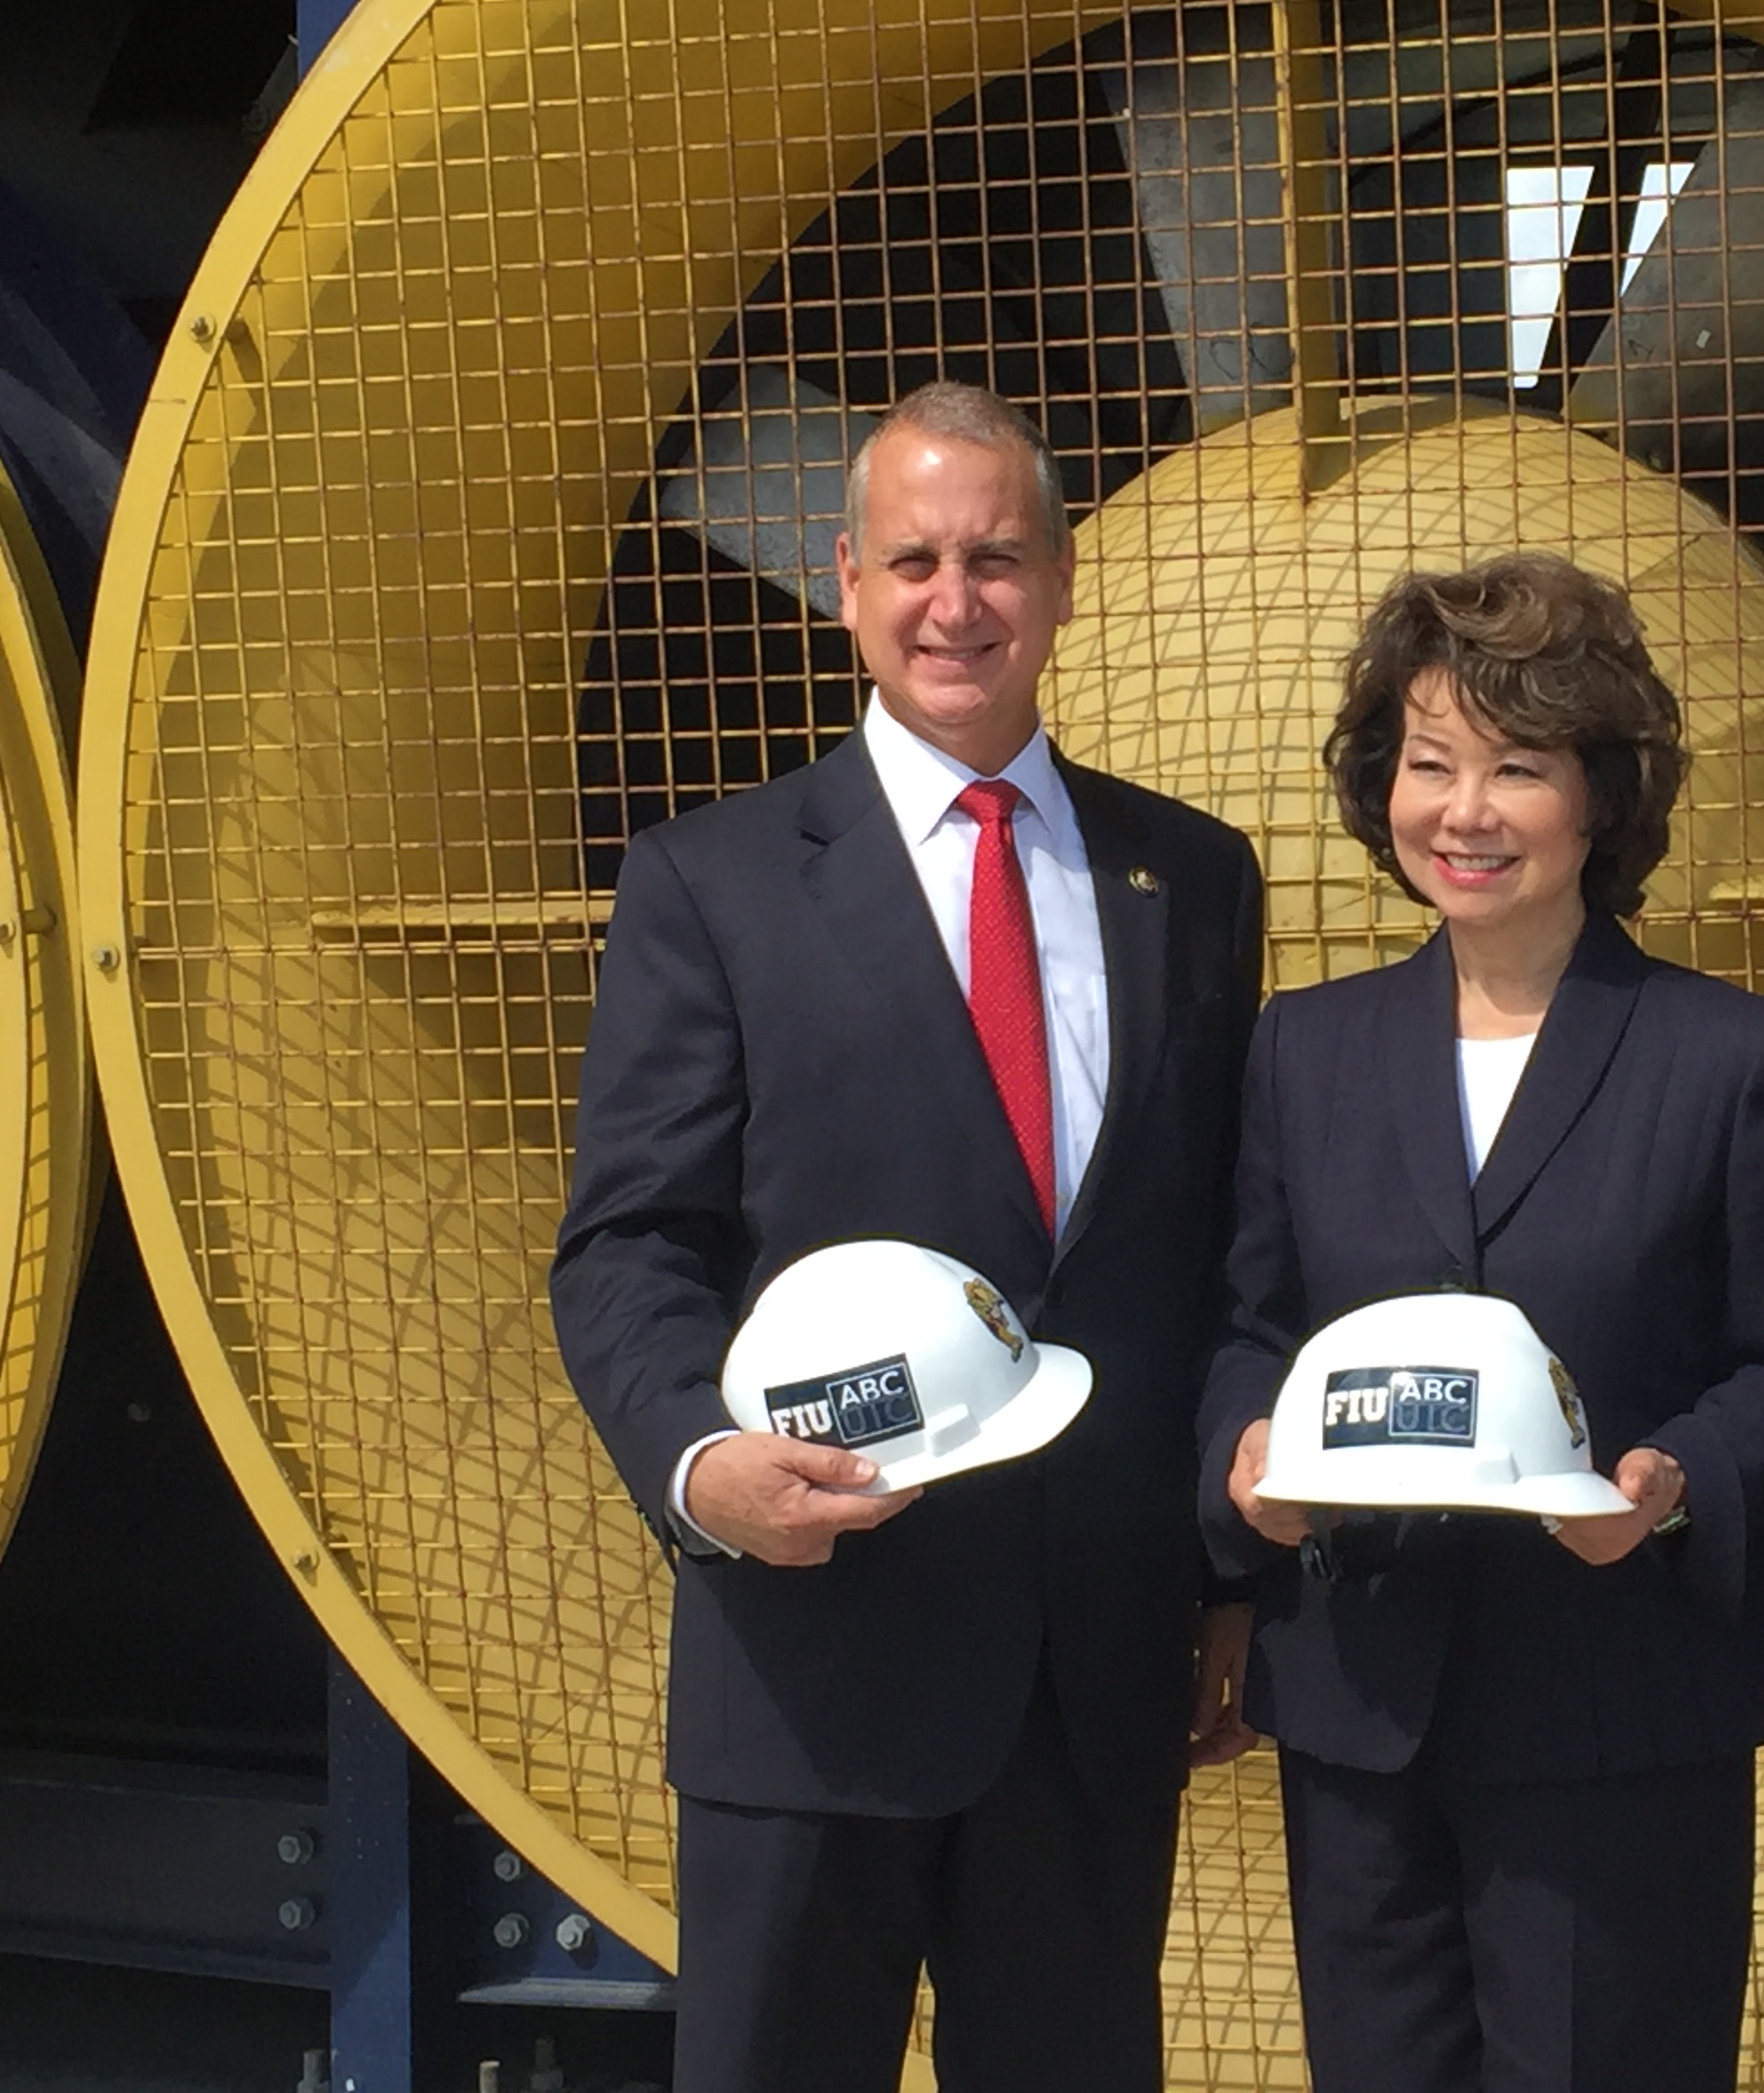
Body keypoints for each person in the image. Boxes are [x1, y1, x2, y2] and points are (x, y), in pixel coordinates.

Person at [551, 381, 1265, 2093]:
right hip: (813, 1662)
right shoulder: (710, 884)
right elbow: (629, 1242)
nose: (960, 602)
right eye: (919, 561)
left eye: (1000, 559)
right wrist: (699, 1468)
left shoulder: (1196, 881)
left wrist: (1232, 1578)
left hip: (1096, 1673)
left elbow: (1223, 1250)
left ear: (1065, 581)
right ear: (849, 580)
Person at [1201, 552, 1764, 2093]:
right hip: (1361, 1717)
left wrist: (1674, 1477)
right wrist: (1242, 1453)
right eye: (1430, 764)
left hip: (1616, 1712)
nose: (1467, 811)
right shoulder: (1303, 1052)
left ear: (1600, 796)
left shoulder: (1728, 1059)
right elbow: (1246, 1326)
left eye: (1519, 766)